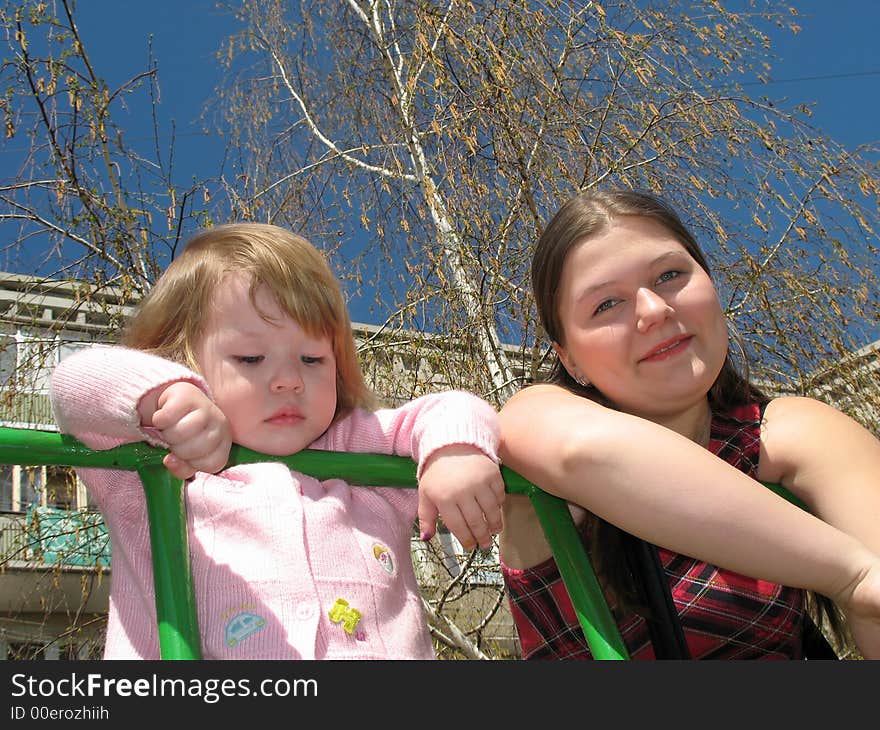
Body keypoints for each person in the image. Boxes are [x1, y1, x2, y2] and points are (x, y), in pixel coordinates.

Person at [50, 223, 505, 660]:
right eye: (250, 358)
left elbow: (450, 408)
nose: (289, 380)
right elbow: (73, 384)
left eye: (312, 358)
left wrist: (454, 451)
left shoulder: (356, 454)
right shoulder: (157, 465)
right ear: (181, 358)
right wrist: (165, 396)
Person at [499, 188, 880, 660]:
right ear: (569, 356)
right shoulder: (535, 420)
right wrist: (853, 574)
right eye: (605, 305)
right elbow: (581, 451)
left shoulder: (788, 431)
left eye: (670, 275)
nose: (654, 310)